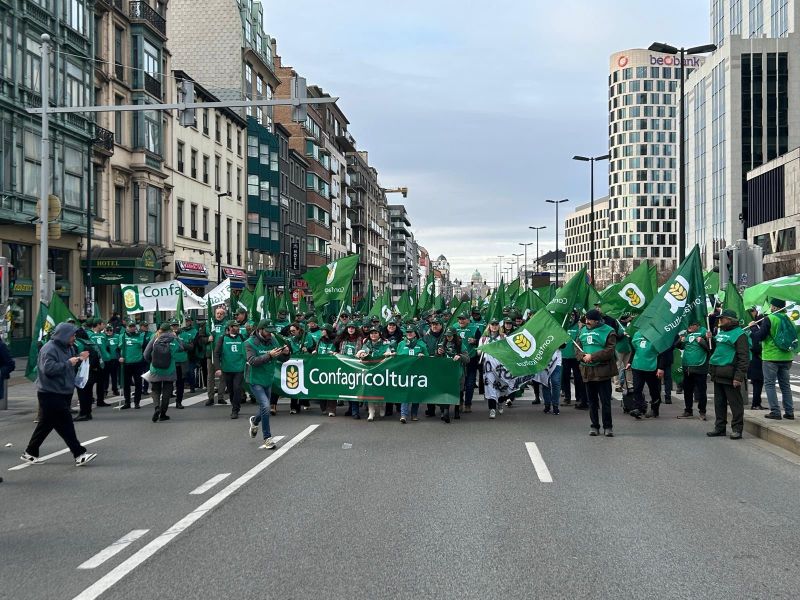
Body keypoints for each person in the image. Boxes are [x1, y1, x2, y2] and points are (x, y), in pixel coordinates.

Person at [21, 323, 97, 466]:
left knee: (46, 424)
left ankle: (30, 452)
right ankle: (79, 454)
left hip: (62, 391)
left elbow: (67, 364)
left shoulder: (67, 347)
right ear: (64, 335)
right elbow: (48, 369)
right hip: (50, 393)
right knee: (66, 424)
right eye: (72, 335)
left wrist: (79, 358)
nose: (74, 338)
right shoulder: (49, 349)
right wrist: (69, 363)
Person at [707, 309, 750, 439]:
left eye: (722, 319)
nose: (720, 321)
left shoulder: (740, 335)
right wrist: (709, 340)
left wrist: (738, 377)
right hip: (718, 373)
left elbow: (744, 357)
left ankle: (737, 429)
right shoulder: (721, 333)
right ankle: (720, 428)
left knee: (735, 404)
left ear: (730, 320)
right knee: (719, 403)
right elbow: (715, 351)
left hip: (730, 375)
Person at [750, 298, 796, 420]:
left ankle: (775, 411)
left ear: (775, 307)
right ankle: (789, 412)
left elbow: (759, 336)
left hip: (771, 357)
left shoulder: (770, 318)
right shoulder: (789, 320)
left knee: (769, 384)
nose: (770, 307)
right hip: (787, 357)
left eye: (771, 306)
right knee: (785, 385)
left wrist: (753, 327)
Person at [246, 320, 288, 449]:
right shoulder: (249, 343)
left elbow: (281, 359)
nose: (270, 334)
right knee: (265, 406)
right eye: (268, 331)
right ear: (260, 330)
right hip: (255, 379)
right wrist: (269, 355)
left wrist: (286, 353)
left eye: (271, 332)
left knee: (265, 408)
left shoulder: (273, 340)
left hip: (268, 379)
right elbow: (252, 361)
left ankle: (254, 421)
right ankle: (267, 438)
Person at [577, 309, 617, 437]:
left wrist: (592, 356)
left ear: (597, 320)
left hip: (603, 371)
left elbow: (610, 350)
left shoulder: (609, 331)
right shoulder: (582, 331)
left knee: (605, 401)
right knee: (592, 401)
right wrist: (582, 356)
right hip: (587, 371)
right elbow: (577, 348)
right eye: (586, 319)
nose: (587, 322)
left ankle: (608, 427)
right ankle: (594, 426)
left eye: (590, 320)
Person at [143, 322, 186, 422]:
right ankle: (163, 413)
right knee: (167, 391)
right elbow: (182, 348)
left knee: (155, 390)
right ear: (169, 330)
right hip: (169, 369)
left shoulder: (155, 338)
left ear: (160, 329)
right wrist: (177, 338)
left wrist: (151, 362)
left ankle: (157, 407)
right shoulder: (173, 339)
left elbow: (145, 354)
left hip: (155, 369)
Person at [356, 326, 393, 421]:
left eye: (375, 333)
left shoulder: (385, 344)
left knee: (381, 390)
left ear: (379, 334)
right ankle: (371, 413)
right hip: (369, 371)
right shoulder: (366, 344)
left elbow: (389, 354)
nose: (373, 335)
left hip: (381, 371)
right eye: (371, 333)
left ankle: (382, 406)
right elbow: (361, 353)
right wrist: (361, 354)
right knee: (370, 392)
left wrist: (388, 355)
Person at [676, 320, 710, 420]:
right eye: (689, 325)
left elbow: (710, 348)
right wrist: (680, 340)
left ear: (697, 325)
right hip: (687, 367)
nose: (689, 326)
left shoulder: (704, 332)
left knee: (701, 391)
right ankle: (688, 410)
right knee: (687, 390)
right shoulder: (686, 334)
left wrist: (704, 341)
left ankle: (702, 411)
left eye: (691, 325)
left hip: (700, 367)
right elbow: (677, 346)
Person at [433, 327, 468, 423]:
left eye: (450, 336)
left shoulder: (460, 345)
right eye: (447, 336)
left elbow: (467, 359)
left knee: (458, 391)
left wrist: (460, 356)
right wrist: (438, 353)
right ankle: (445, 412)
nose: (448, 337)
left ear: (454, 335)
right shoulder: (441, 344)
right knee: (445, 391)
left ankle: (457, 410)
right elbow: (435, 358)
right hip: (445, 372)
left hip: (458, 372)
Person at [628, 330, 664, 420]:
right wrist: (630, 362)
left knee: (654, 390)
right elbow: (634, 350)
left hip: (652, 367)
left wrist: (661, 367)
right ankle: (639, 408)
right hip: (637, 366)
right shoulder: (637, 334)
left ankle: (654, 409)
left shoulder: (657, 334)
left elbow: (662, 352)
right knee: (637, 388)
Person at [396, 324, 429, 423]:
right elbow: (397, 358)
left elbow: (427, 357)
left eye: (411, 332)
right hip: (404, 372)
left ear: (415, 333)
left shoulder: (421, 344)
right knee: (405, 393)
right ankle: (403, 415)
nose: (409, 333)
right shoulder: (401, 344)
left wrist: (423, 355)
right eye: (407, 332)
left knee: (416, 393)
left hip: (417, 372)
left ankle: (414, 414)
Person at [214, 320, 247, 419]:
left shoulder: (241, 337)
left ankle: (235, 410)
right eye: (235, 326)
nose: (238, 328)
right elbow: (216, 353)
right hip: (227, 368)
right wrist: (218, 368)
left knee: (237, 388)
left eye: (238, 326)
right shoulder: (222, 338)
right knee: (231, 390)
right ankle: (235, 404)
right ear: (230, 328)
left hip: (239, 368)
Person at [453, 312, 480, 413]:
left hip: (471, 359)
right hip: (459, 359)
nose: (461, 321)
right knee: (459, 383)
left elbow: (481, 341)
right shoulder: (454, 327)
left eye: (463, 319)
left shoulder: (475, 328)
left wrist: (475, 341)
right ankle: (460, 401)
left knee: (470, 383)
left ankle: (468, 404)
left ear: (468, 320)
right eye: (460, 319)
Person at [478, 318, 505, 419]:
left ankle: (500, 402)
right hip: (488, 367)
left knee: (500, 385)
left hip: (500, 366)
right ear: (489, 326)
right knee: (490, 387)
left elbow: (507, 350)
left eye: (496, 324)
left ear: (499, 326)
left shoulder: (503, 337)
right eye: (492, 324)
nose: (494, 326)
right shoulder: (484, 339)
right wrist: (483, 348)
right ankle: (492, 409)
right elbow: (478, 352)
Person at [73, 327, 101, 421]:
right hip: (93, 370)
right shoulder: (90, 342)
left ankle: (83, 413)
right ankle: (88, 413)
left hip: (82, 371)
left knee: (82, 393)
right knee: (88, 393)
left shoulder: (78, 343)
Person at [119, 319, 147, 409]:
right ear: (127, 327)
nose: (132, 328)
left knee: (138, 383)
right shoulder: (122, 336)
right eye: (130, 326)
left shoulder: (140, 336)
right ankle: (127, 402)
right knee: (126, 384)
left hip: (137, 363)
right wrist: (119, 357)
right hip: (126, 363)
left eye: (133, 326)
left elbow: (145, 347)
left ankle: (137, 402)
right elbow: (117, 349)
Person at [562, 313, 587, 410]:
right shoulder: (563, 326)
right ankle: (567, 397)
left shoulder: (578, 326)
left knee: (578, 378)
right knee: (565, 377)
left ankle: (578, 397)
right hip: (564, 356)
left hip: (575, 357)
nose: (571, 317)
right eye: (569, 315)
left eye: (573, 315)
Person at [314, 324, 338, 417]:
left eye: (323, 330)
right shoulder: (320, 340)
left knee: (331, 389)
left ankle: (332, 409)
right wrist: (315, 352)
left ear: (328, 331)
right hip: (321, 367)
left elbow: (339, 351)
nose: (321, 331)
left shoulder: (335, 341)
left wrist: (335, 353)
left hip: (332, 368)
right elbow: (317, 350)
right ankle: (323, 408)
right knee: (322, 388)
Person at [423, 318, 445, 417]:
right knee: (430, 387)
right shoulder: (426, 337)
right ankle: (431, 409)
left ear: (441, 325)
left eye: (436, 324)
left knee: (441, 387)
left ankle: (443, 409)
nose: (434, 326)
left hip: (442, 365)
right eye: (432, 324)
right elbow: (423, 348)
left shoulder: (445, 336)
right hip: (430, 364)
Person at [206, 306, 228, 406]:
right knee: (210, 376)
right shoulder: (209, 324)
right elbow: (199, 338)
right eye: (217, 313)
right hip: (211, 353)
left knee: (223, 376)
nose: (219, 315)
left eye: (221, 314)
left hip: (222, 354)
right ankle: (210, 397)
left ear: (224, 315)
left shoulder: (227, 325)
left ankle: (220, 397)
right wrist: (207, 339)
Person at [88, 319, 111, 407]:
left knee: (101, 381)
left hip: (104, 360)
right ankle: (89, 399)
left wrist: (107, 355)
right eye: (103, 324)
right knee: (91, 381)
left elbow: (107, 346)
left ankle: (100, 400)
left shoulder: (103, 335)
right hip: (94, 361)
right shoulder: (89, 334)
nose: (104, 326)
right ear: (98, 325)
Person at [746, 307, 765, 410]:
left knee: (757, 383)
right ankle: (755, 404)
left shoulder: (752, 330)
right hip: (756, 359)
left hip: (753, 359)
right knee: (758, 383)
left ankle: (757, 403)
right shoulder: (756, 331)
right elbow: (756, 347)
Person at [171, 320, 191, 409]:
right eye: (173, 326)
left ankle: (178, 401)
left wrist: (178, 339)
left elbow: (189, 346)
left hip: (182, 362)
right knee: (168, 382)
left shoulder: (185, 335)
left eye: (176, 325)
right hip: (171, 362)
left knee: (180, 383)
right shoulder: (167, 335)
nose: (175, 327)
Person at [541, 348, 563, 415]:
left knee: (555, 382)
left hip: (556, 361)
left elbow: (563, 345)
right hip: (543, 360)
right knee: (545, 382)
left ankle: (555, 405)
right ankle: (547, 404)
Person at [104, 325, 121, 397]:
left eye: (110, 330)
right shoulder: (103, 337)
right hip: (107, 359)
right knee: (106, 376)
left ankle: (115, 389)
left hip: (115, 359)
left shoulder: (117, 336)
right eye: (107, 330)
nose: (109, 332)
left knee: (114, 375)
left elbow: (120, 345)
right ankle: (105, 390)